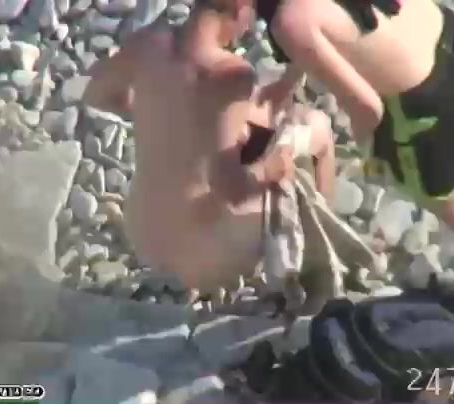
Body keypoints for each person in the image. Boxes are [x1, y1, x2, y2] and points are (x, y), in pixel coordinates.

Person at [255, 0, 454, 297]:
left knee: (450, 202)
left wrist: (370, 149)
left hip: (426, 103)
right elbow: (325, 31)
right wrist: (288, 81)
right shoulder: (296, 19)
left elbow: (367, 106)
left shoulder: (290, 21)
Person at [82, 0, 336, 293]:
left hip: (144, 236)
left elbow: (96, 93)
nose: (249, 26)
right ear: (239, 7)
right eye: (253, 13)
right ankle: (321, 267)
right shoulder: (230, 73)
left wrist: (157, 114)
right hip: (203, 256)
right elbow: (231, 188)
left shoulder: (149, 42)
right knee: (315, 129)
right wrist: (271, 169)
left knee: (255, 136)